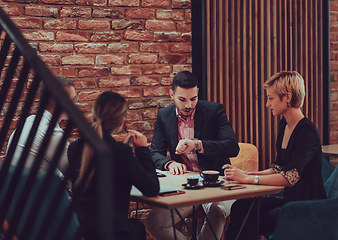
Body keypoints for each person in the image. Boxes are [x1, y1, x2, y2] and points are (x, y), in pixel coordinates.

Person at [224, 71, 327, 240]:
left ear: (287, 97)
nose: (267, 104)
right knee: (240, 206)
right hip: (290, 201)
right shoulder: (284, 125)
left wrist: (248, 179)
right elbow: (279, 167)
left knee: (251, 220)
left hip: (308, 206)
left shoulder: (307, 131)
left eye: (270, 98)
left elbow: (290, 177)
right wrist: (245, 174)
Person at [145, 70, 240, 240]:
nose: (188, 105)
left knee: (217, 212)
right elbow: (155, 153)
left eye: (193, 99)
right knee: (154, 222)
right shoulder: (164, 116)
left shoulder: (215, 111)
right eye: (182, 99)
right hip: (186, 186)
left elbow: (232, 147)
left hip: (216, 184)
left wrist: (197, 144)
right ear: (171, 94)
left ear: (198, 93)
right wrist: (169, 164)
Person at [68, 91, 159, 240]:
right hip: (112, 233)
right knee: (137, 226)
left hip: (82, 231)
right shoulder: (118, 153)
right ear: (122, 120)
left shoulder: (74, 148)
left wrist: (126, 150)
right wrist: (142, 150)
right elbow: (152, 189)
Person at [6, 76, 77, 176]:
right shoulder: (51, 132)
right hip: (37, 190)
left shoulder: (29, 121)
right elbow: (74, 173)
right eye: (72, 100)